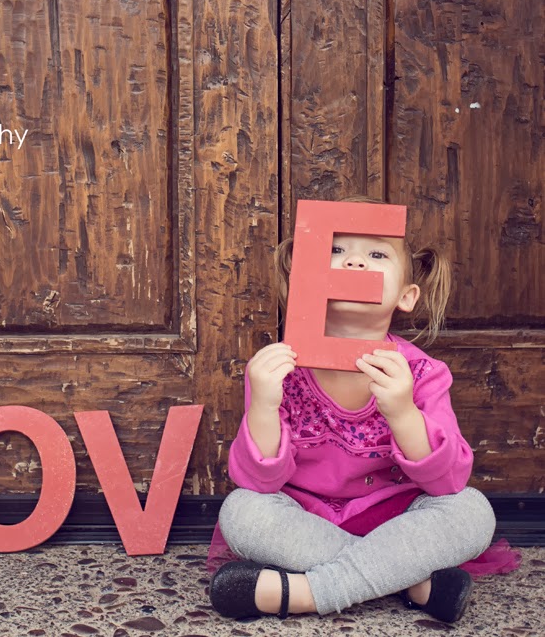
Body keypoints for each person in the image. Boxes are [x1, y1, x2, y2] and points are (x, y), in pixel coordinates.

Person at [208, 198, 504, 624]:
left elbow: (449, 481)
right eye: (336, 251)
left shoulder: (423, 373)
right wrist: (265, 405)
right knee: (242, 511)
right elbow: (259, 481)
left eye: (377, 254)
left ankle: (308, 593)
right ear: (303, 279)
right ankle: (408, 584)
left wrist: (403, 412)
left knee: (472, 512)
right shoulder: (279, 370)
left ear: (406, 295)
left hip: (398, 521)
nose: (356, 265)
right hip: (306, 521)